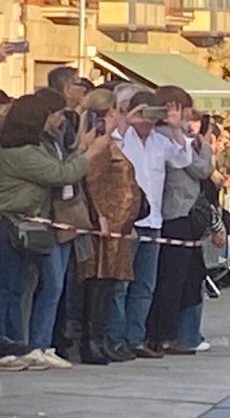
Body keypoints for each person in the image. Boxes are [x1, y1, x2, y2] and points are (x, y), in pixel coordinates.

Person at [0, 94, 103, 370]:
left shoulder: (36, 146)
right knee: (10, 288)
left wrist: (79, 148)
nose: (59, 121)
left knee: (22, 285)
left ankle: (24, 344)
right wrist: (90, 154)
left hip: (31, 223)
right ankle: (8, 344)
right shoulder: (20, 152)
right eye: (56, 115)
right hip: (11, 223)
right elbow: (60, 174)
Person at [107, 90, 191, 360]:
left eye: (152, 113)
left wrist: (176, 128)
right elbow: (108, 146)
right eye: (143, 113)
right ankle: (116, 338)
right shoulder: (123, 138)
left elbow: (183, 159)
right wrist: (126, 121)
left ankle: (136, 338)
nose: (147, 120)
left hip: (153, 220)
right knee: (121, 284)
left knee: (145, 285)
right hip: (125, 221)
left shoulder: (160, 142)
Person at [75, 89, 143, 365]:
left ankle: (100, 338)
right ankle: (91, 340)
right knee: (98, 284)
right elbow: (93, 181)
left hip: (119, 222)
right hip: (106, 222)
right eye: (115, 111)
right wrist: (99, 214)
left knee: (109, 284)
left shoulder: (112, 142)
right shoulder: (101, 145)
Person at [146, 85, 213, 354]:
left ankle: (176, 332)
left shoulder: (180, 137)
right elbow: (200, 169)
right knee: (172, 279)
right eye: (186, 111)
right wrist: (205, 148)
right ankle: (166, 334)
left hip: (181, 213)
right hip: (176, 212)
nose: (189, 118)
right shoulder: (166, 136)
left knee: (184, 277)